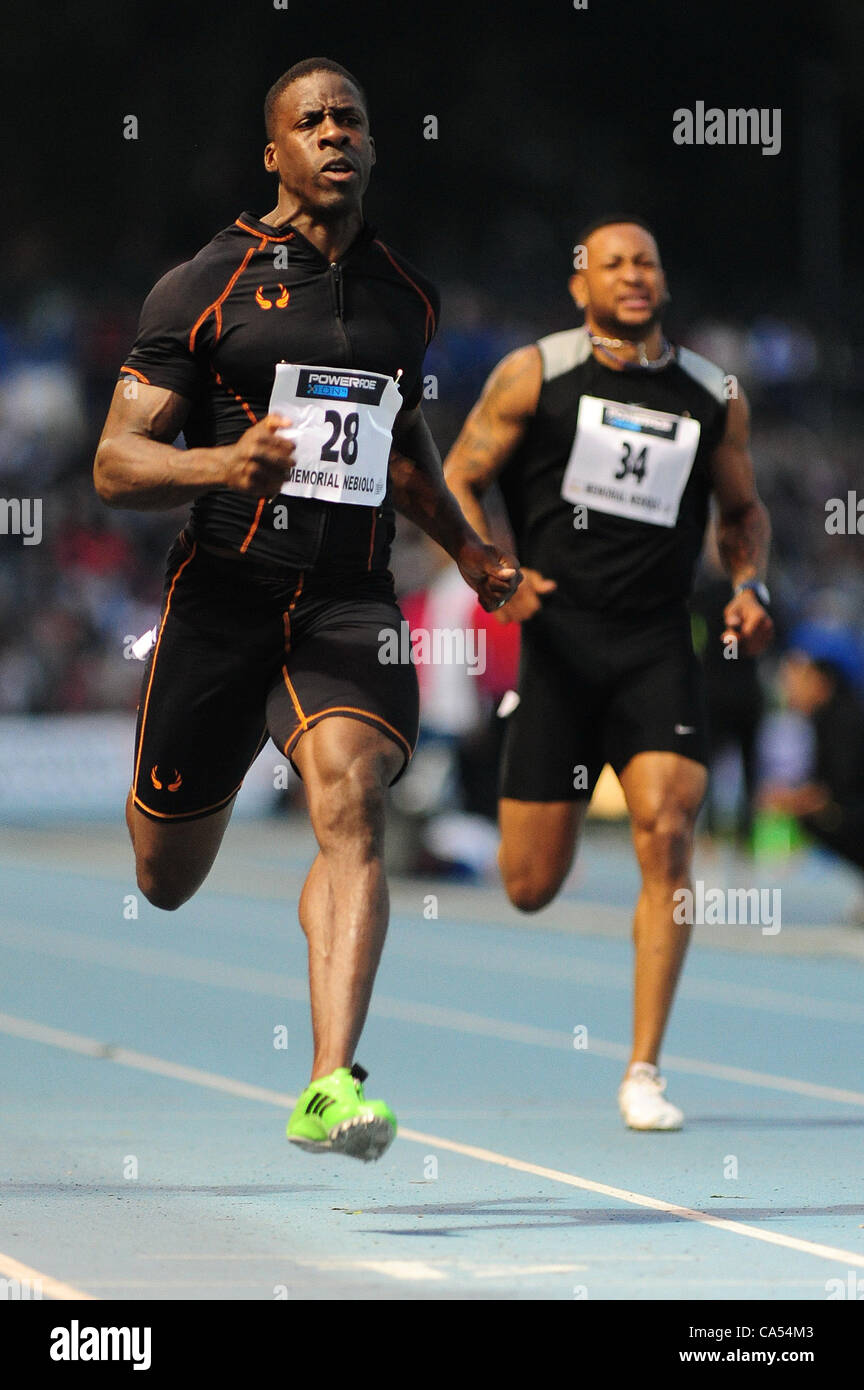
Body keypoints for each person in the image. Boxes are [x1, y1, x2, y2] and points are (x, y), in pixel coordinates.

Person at [93, 57, 519, 1161]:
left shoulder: (406, 299)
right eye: (310, 121)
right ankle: (317, 890)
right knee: (164, 877)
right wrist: (222, 464)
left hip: (346, 599)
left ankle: (332, 1081)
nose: (335, 133)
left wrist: (471, 552)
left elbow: (406, 446)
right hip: (222, 604)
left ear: (373, 146)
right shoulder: (204, 286)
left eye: (352, 119)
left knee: (354, 796)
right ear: (273, 152)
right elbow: (114, 463)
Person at [445, 216, 773, 1130]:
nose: (634, 276)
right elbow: (458, 476)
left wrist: (749, 582)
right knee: (528, 884)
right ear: (579, 285)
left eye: (649, 263)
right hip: (556, 646)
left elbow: (742, 512)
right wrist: (494, 569)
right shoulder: (535, 374)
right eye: (614, 263)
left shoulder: (713, 393)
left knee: (668, 829)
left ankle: (643, 1069)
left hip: (657, 647)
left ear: (663, 283)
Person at [763, 627, 864, 878]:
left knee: (829, 819)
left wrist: (790, 801)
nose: (788, 686)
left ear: (821, 678)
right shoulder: (827, 718)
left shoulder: (845, 721)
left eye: (796, 676)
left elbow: (838, 793)